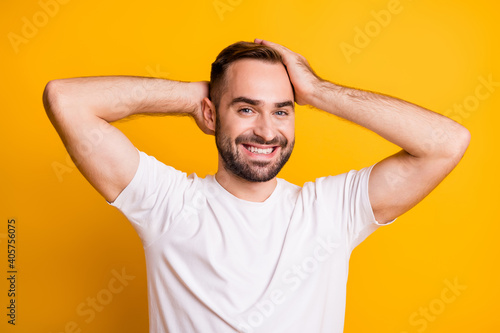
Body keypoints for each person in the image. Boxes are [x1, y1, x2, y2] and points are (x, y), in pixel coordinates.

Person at [43, 38, 470, 333]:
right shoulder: (167, 204)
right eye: (246, 109)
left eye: (282, 112)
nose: (266, 131)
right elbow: (66, 100)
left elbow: (447, 143)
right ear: (211, 116)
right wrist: (193, 96)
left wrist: (317, 90)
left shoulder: (330, 211)